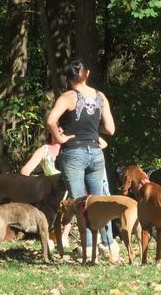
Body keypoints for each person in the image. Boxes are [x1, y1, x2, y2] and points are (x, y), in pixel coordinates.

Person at [46, 58, 119, 262]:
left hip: (73, 153)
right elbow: (111, 129)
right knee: (100, 201)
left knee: (80, 202)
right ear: (86, 74)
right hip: (96, 152)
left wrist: (60, 138)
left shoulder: (67, 97)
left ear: (68, 77)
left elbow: (51, 121)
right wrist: (95, 131)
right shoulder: (100, 96)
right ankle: (109, 247)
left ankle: (88, 249)